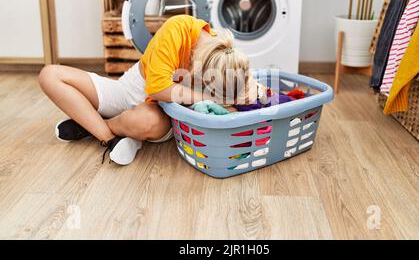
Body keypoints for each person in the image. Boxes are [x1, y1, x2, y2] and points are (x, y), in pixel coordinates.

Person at [39, 15, 257, 165]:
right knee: (50, 75)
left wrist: (254, 90)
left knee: (144, 122)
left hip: (162, 113)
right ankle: (110, 136)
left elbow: (253, 89)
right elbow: (159, 88)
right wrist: (209, 96)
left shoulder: (226, 58)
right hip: (130, 89)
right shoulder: (179, 28)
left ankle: (93, 127)